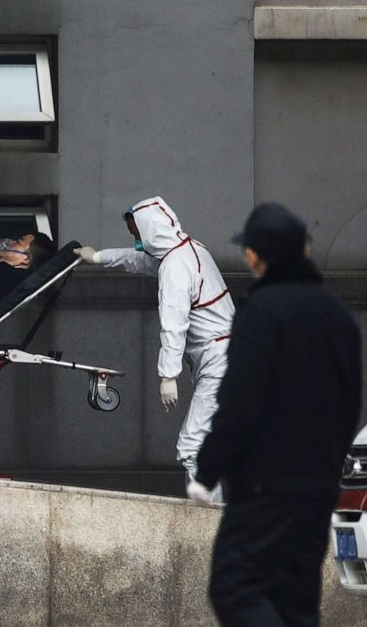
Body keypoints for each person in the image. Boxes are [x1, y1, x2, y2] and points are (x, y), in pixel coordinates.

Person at [190, 203, 361, 627]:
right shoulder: (337, 315)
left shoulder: (262, 312)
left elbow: (239, 400)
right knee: (296, 602)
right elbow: (350, 401)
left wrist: (208, 470)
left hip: (266, 486)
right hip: (318, 486)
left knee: (234, 587)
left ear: (255, 255)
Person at [74, 197, 235, 499]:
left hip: (219, 363)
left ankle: (209, 528)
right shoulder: (188, 250)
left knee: (193, 448)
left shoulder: (175, 268)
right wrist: (98, 257)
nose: (135, 240)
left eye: (137, 234)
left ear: (150, 231)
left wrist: (168, 375)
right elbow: (138, 260)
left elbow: (174, 323)